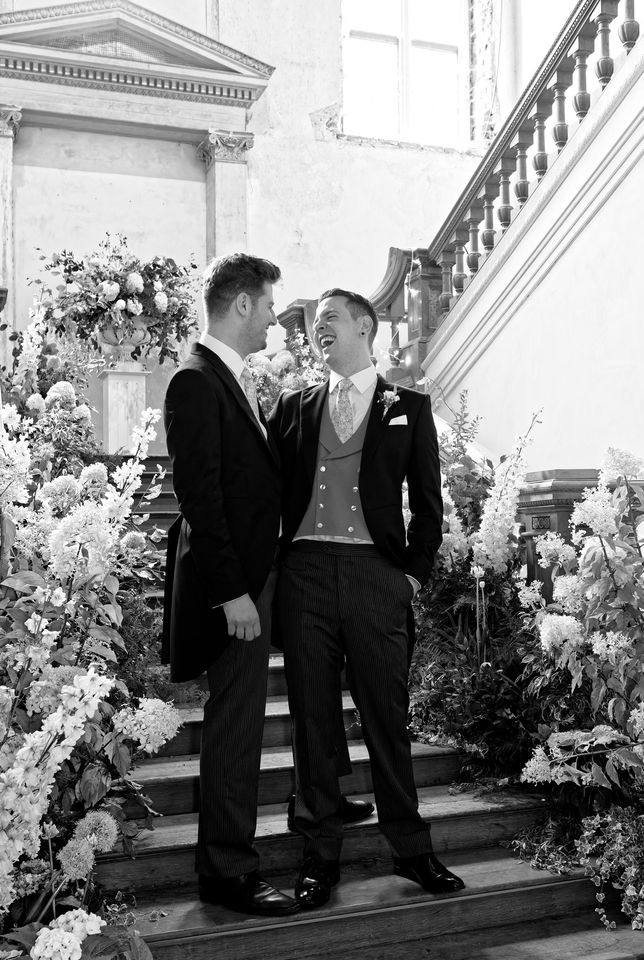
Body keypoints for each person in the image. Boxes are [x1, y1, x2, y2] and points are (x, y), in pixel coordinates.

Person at [269, 288, 465, 909]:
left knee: (387, 716)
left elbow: (427, 506)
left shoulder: (408, 406)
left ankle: (411, 848)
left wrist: (411, 575)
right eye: (310, 324)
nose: (315, 329)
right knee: (313, 721)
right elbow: (265, 488)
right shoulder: (293, 404)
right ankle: (319, 853)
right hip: (304, 573)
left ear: (363, 325)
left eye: (326, 318)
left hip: (377, 575)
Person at [162, 253, 299, 917]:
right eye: (269, 305)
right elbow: (202, 500)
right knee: (235, 730)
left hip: (252, 579)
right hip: (233, 591)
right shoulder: (196, 380)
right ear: (242, 304)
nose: (275, 319)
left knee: (240, 726)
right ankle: (227, 874)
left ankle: (229, 864)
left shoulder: (227, 377)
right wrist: (233, 594)